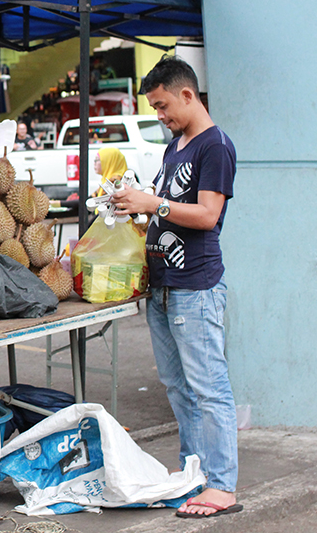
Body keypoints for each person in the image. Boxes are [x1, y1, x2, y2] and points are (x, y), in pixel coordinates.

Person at [111, 56, 240, 519]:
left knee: (209, 389)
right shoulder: (175, 146)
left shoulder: (215, 147)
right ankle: (194, 475)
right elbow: (166, 209)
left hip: (196, 287)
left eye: (164, 106)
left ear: (187, 94)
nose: (160, 116)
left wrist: (155, 203)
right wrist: (135, 206)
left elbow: (207, 216)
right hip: (164, 288)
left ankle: (222, 486)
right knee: (178, 389)